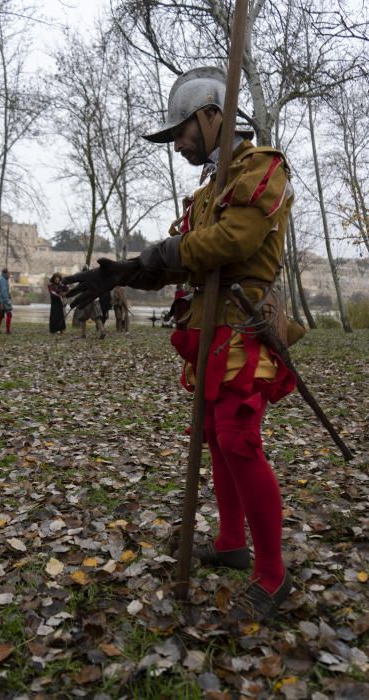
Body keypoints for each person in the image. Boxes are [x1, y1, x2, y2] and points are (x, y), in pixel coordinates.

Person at [64, 66, 296, 622]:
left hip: (244, 327)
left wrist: (162, 253)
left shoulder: (262, 168)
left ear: (213, 115)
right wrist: (120, 273)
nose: (179, 144)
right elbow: (179, 261)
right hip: (208, 329)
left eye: (184, 131)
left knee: (239, 440)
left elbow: (230, 241)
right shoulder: (207, 192)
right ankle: (231, 545)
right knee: (217, 440)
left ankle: (273, 574)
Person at [0, 268, 13, 334]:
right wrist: (7, 300)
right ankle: (7, 330)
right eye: (8, 274)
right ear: (5, 273)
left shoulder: (2, 279)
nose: (9, 275)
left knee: (1, 315)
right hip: (3, 300)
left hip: (0, 300)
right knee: (9, 314)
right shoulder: (3, 280)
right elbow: (3, 291)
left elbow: (3, 291)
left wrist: (9, 295)